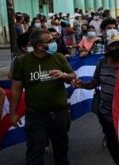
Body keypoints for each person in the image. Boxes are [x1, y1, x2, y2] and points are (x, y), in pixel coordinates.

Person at [10, 29, 77, 165]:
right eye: (50, 41)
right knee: (35, 152)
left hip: (60, 113)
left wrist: (64, 75)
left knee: (61, 150)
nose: (54, 43)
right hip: (36, 115)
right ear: (40, 46)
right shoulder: (23, 62)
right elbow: (16, 89)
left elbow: (73, 76)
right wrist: (13, 113)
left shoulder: (58, 57)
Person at [72, 35, 119, 165]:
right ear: (108, 48)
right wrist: (83, 85)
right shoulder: (102, 62)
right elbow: (95, 82)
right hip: (105, 113)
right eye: (113, 45)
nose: (117, 48)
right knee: (112, 144)